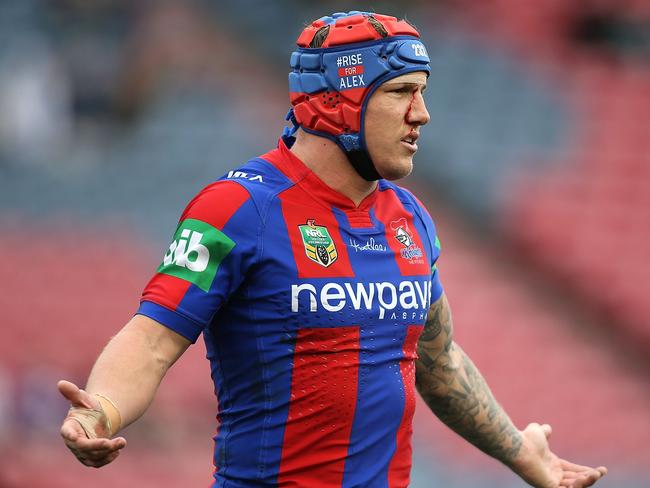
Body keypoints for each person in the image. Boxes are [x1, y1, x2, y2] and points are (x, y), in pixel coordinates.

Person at [58, 11, 608, 488]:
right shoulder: (236, 207)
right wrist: (102, 410)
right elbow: (152, 339)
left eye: (422, 92)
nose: (422, 114)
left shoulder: (408, 217)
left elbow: (438, 362)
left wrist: (518, 451)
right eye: (399, 92)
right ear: (335, 102)